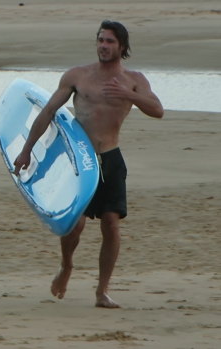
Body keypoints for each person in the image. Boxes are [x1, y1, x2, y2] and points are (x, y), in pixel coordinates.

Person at [13, 20, 163, 308]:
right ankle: (67, 265)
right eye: (100, 40)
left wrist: (129, 95)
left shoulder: (134, 80)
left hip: (111, 158)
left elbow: (157, 110)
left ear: (122, 47)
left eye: (109, 41)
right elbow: (48, 112)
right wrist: (26, 150)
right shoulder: (77, 76)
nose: (103, 46)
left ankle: (102, 291)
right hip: (80, 160)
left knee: (111, 223)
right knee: (75, 224)